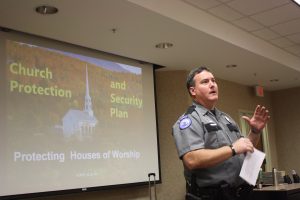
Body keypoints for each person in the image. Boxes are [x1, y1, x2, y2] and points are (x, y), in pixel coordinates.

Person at [172, 66, 270, 200]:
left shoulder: (225, 118)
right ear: (193, 91)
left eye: (213, 80)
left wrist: (255, 131)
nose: (212, 84)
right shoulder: (189, 120)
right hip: (211, 195)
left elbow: (245, 148)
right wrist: (232, 149)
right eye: (205, 82)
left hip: (240, 193)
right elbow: (192, 159)